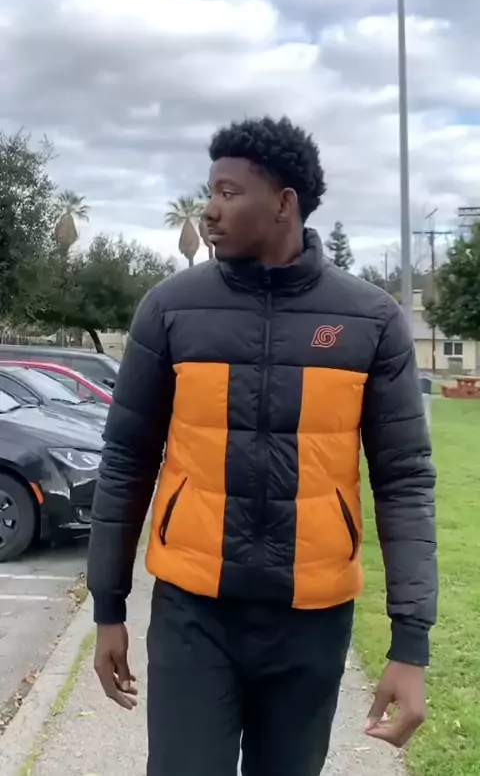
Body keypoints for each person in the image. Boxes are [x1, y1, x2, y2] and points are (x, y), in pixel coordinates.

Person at [87, 115, 437, 776]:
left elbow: (404, 481)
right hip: (194, 617)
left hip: (312, 623)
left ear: (284, 204)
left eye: (228, 192)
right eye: (208, 192)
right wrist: (109, 607)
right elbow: (127, 460)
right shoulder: (169, 310)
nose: (209, 211)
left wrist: (409, 644)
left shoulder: (370, 321)